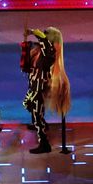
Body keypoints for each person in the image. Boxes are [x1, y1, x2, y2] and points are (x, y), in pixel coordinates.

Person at [21, 26, 71, 154]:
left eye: (45, 34)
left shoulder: (49, 52)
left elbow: (45, 45)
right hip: (34, 85)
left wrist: (35, 32)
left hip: (39, 87)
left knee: (35, 112)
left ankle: (44, 142)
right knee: (28, 104)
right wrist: (28, 38)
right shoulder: (41, 51)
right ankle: (40, 123)